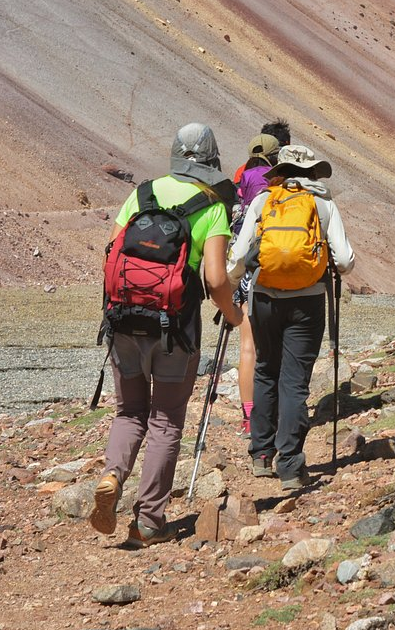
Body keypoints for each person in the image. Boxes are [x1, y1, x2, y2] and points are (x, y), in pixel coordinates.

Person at [89, 123, 244, 547]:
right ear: (211, 161)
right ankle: (149, 522)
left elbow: (110, 254)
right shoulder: (211, 205)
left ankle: (112, 475)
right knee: (165, 419)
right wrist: (233, 314)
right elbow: (215, 279)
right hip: (174, 330)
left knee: (128, 412)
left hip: (123, 323)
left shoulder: (141, 194)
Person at [227, 144, 355, 490]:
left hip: (264, 299)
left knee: (266, 370)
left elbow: (237, 258)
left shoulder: (263, 200)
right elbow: (344, 261)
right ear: (313, 172)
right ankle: (290, 465)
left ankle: (261, 454)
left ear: (280, 171)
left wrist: (232, 286)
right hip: (308, 302)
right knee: (295, 381)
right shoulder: (324, 204)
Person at [231, 133, 281, 436]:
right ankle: (278, 411)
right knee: (278, 347)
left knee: (248, 347)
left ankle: (250, 415)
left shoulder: (241, 180)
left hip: (248, 272)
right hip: (280, 272)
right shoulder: (282, 182)